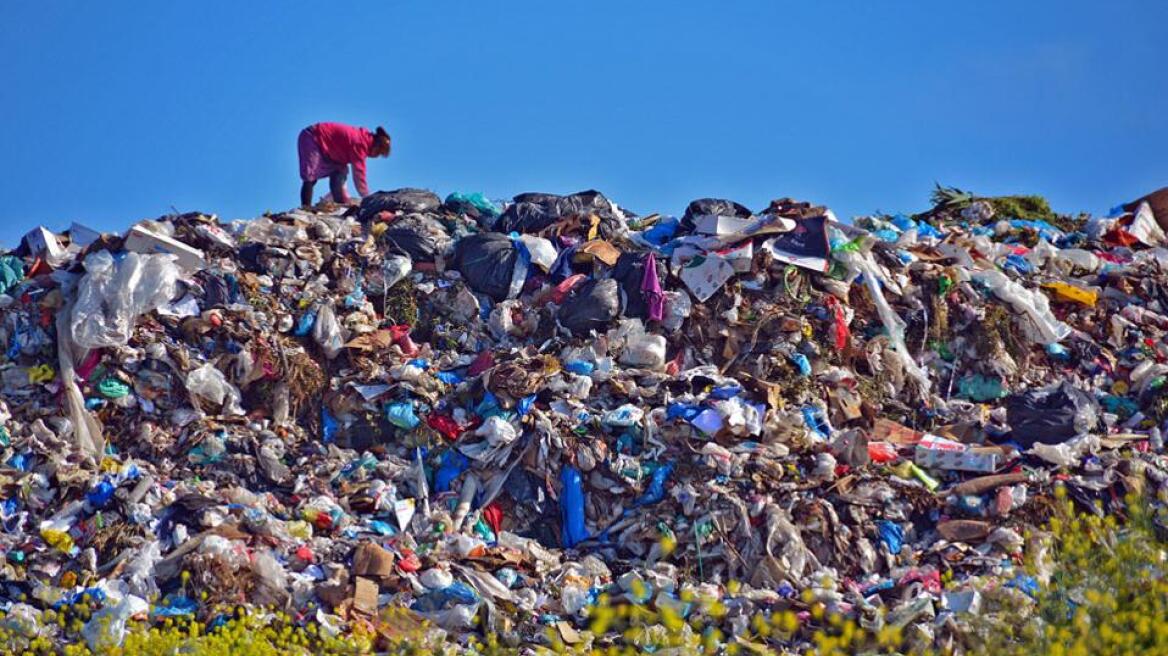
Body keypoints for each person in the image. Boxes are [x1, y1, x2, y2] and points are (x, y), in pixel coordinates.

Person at [298, 122, 391, 207]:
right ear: (376, 146)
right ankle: (306, 207)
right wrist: (367, 198)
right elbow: (359, 175)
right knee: (310, 176)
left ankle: (339, 204)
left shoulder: (363, 141)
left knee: (340, 172)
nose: (376, 156)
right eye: (378, 153)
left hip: (330, 149)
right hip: (312, 137)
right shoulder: (360, 143)